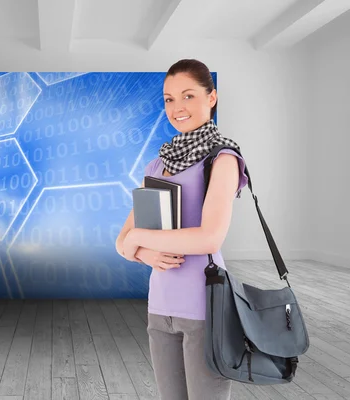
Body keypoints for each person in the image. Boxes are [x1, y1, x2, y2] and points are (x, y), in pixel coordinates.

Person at [115, 59, 249, 400]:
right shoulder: (157, 164)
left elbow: (209, 237)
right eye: (169, 99)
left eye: (188, 96)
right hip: (160, 307)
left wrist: (140, 240)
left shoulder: (223, 159)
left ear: (212, 97)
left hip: (205, 306)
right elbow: (121, 242)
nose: (178, 108)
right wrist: (145, 252)